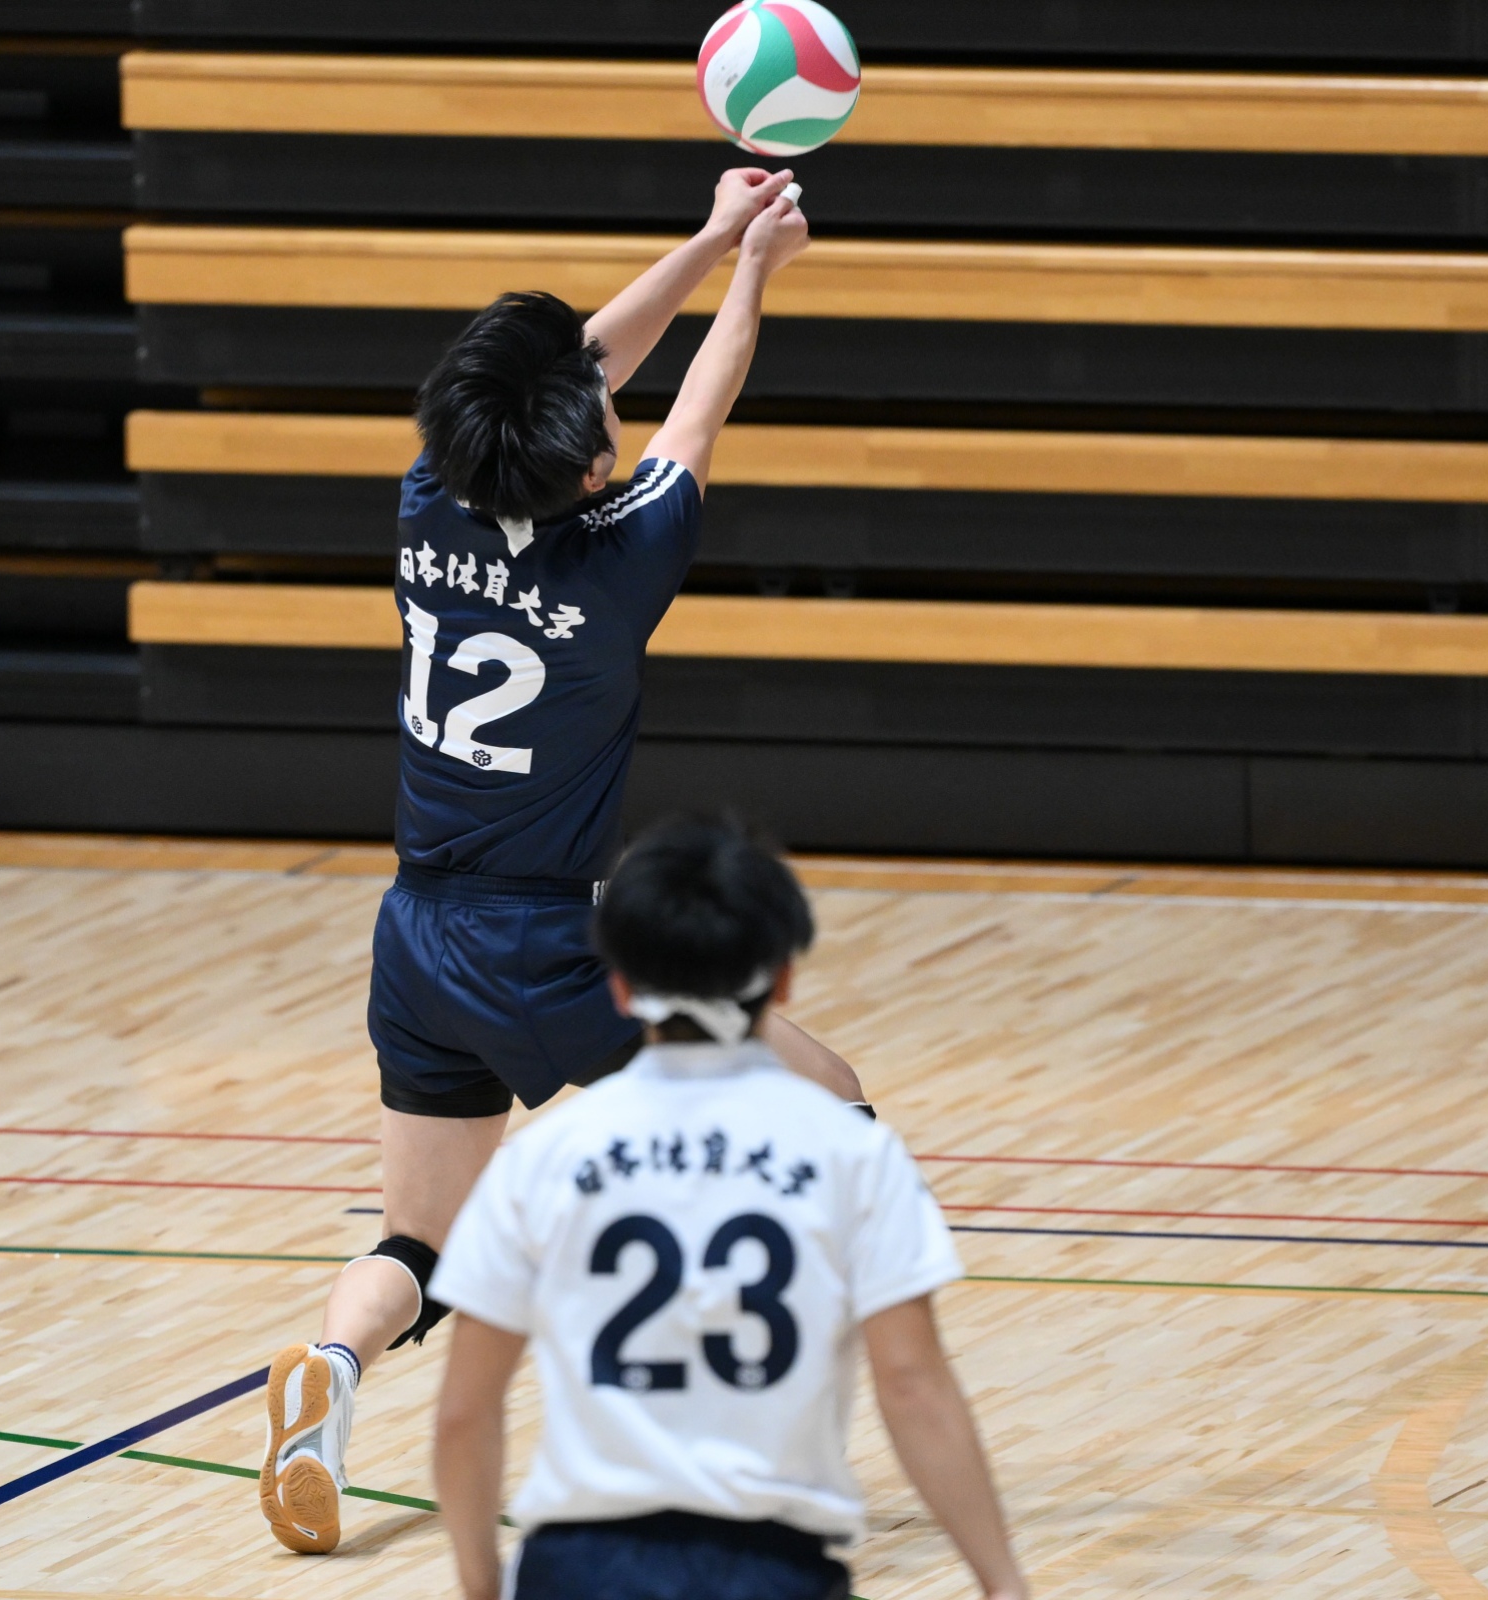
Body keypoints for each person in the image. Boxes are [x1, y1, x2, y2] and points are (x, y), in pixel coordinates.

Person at [258, 168, 871, 1556]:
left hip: (415, 939)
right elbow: (696, 399)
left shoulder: (429, 494)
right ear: (592, 466)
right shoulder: (623, 555)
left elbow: (569, 371)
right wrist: (755, 269)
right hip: (544, 945)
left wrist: (710, 234)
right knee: (831, 1106)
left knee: (418, 1245)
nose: (607, 398)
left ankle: (328, 1372)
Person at [428, 816, 1027, 1600]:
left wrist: (481, 1586)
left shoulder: (542, 1159)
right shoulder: (850, 1152)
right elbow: (911, 1384)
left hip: (578, 1569)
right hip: (772, 1571)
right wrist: (1002, 1583)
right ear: (781, 980)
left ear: (617, 984)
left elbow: (464, 1414)